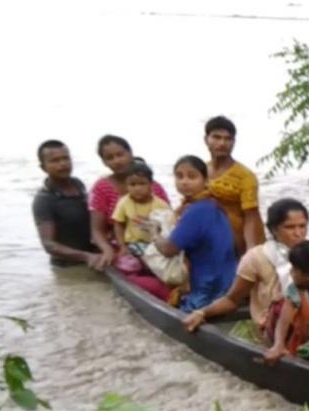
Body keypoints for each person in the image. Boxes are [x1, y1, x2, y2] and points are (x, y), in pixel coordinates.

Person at [182, 198, 309, 341]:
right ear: (273, 229)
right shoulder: (257, 257)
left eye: (302, 226)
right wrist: (202, 313)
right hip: (271, 330)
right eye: (290, 227)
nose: (298, 233)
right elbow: (232, 300)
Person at [152, 155, 237, 311]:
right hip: (230, 283)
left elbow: (169, 250)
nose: (184, 181)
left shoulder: (196, 211)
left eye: (192, 176)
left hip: (208, 289)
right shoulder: (213, 203)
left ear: (205, 181)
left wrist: (155, 235)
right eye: (179, 176)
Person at [32, 140, 113, 269]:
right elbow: (48, 244)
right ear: (43, 167)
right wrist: (86, 256)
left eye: (66, 158)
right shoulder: (44, 200)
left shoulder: (78, 184)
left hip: (97, 258)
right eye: (55, 160)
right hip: (69, 267)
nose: (63, 164)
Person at [89, 135, 170, 257]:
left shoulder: (153, 186)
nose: (116, 161)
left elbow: (168, 219)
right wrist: (107, 250)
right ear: (104, 162)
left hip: (153, 240)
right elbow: (97, 230)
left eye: (120, 155)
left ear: (130, 153)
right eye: (110, 158)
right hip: (119, 244)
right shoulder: (101, 188)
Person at [203, 116, 264, 255]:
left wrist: (251, 251)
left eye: (228, 139)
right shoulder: (200, 171)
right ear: (206, 139)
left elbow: (251, 216)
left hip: (236, 245)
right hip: (206, 243)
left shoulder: (245, 176)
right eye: (216, 137)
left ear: (234, 142)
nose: (222, 143)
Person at [263, 240, 309, 364]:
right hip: (302, 347)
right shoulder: (296, 292)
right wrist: (279, 344)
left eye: (294, 269)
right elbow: (283, 322)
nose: (290, 272)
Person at [111, 161, 173, 254]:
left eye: (142, 184)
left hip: (155, 244)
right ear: (126, 185)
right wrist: (122, 246)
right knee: (129, 263)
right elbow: (118, 224)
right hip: (132, 243)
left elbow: (168, 227)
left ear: (151, 185)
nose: (137, 188)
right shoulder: (124, 202)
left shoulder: (161, 205)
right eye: (132, 184)